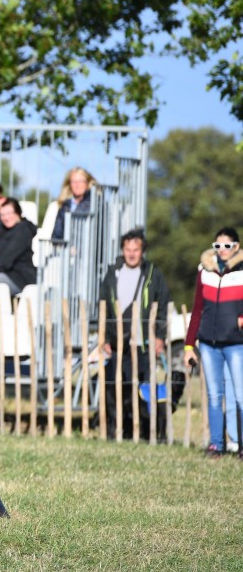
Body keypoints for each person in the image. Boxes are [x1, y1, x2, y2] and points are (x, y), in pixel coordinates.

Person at [98, 228, 171, 441]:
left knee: (143, 388)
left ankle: (146, 430)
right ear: (122, 250)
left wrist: (159, 336)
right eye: (127, 249)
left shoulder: (153, 274)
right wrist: (104, 337)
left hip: (143, 342)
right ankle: (115, 430)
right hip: (118, 341)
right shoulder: (112, 274)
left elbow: (163, 304)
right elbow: (102, 304)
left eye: (136, 250)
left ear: (142, 251)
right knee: (115, 388)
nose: (131, 253)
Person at [183, 227, 243, 458]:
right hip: (209, 343)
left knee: (240, 396)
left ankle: (240, 445)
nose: (222, 251)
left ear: (236, 247)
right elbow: (197, 310)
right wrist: (189, 345)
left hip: (236, 343)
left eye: (227, 246)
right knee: (215, 395)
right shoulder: (204, 271)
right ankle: (216, 445)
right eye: (218, 246)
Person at [0, 198, 37, 297]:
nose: (6, 218)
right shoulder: (3, 229)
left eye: (9, 213)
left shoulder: (23, 231)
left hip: (19, 278)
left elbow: (6, 261)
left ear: (18, 212)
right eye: (2, 214)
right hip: (3, 273)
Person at [51, 166, 97, 241]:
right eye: (74, 182)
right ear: (69, 184)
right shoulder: (64, 205)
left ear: (87, 183)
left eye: (80, 181)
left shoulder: (94, 204)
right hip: (65, 250)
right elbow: (57, 233)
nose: (77, 185)